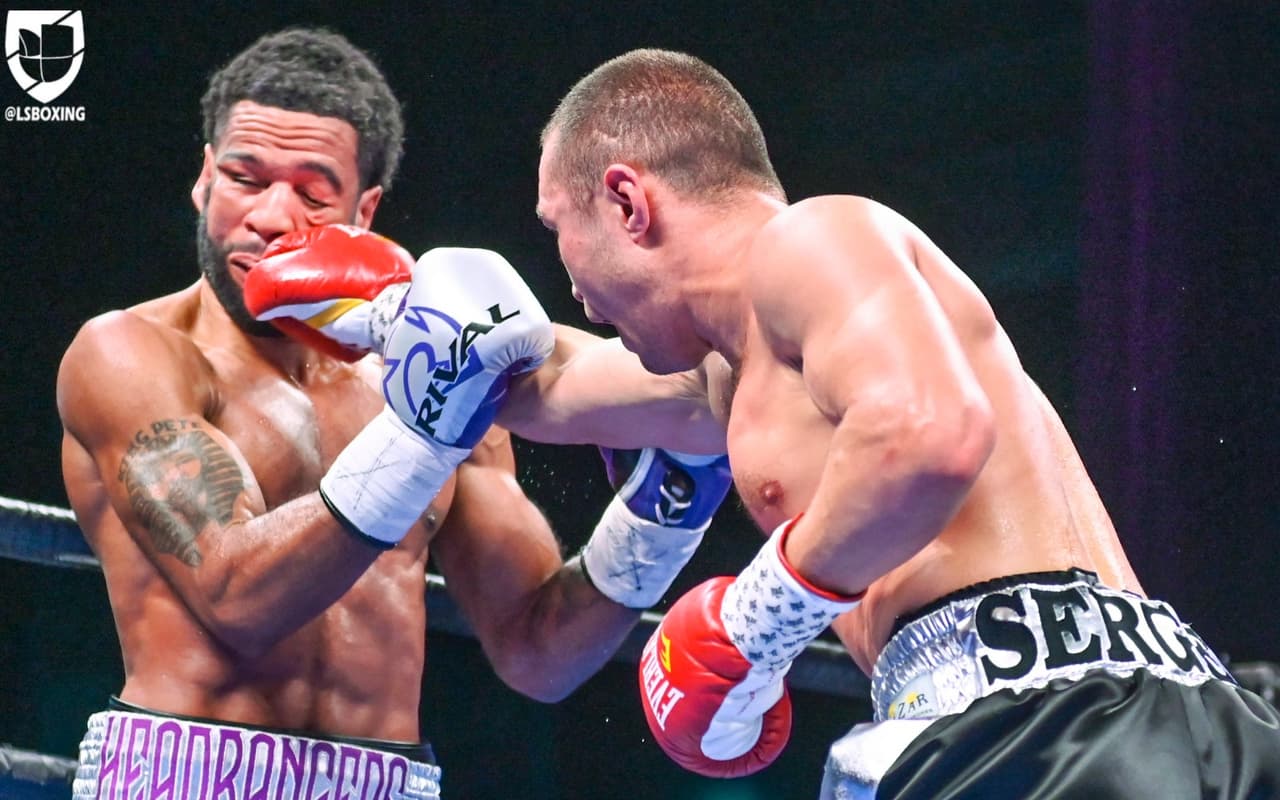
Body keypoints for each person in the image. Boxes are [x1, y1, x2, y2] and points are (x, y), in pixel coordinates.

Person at [529, 48, 1280, 797]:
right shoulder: (730, 374)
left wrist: (754, 627)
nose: (574, 291)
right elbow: (550, 383)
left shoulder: (809, 241)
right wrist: (422, 313)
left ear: (627, 202)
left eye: (557, 230)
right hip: (1140, 712)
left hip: (1044, 726)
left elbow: (929, 436)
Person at [56, 30, 734, 800]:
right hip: (189, 769)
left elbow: (539, 656)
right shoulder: (129, 355)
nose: (272, 217)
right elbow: (237, 597)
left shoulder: (435, 356)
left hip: (385, 780)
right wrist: (429, 421)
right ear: (204, 179)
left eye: (313, 192)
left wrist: (662, 510)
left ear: (365, 209)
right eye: (244, 177)